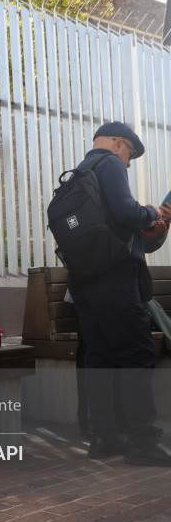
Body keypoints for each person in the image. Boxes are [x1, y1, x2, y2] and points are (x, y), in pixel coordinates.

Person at [68, 122, 171, 466]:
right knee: (138, 354)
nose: (128, 163)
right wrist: (153, 212)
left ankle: (104, 437)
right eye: (130, 153)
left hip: (85, 280)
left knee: (99, 357)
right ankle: (142, 441)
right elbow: (128, 213)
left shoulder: (80, 172)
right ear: (117, 143)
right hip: (115, 279)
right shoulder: (109, 163)